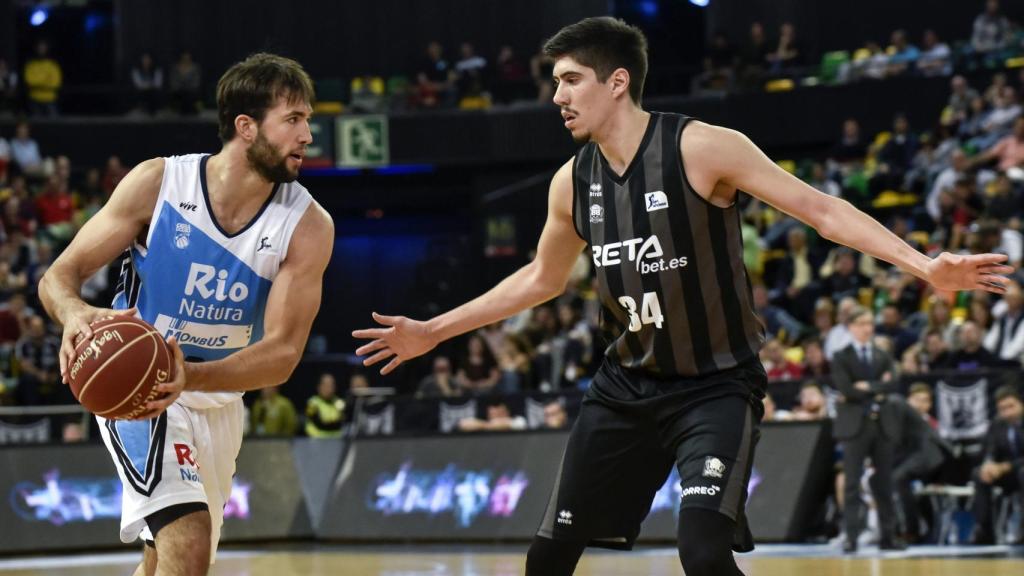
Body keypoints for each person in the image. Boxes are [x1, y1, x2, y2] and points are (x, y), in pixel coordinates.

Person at [353, 17, 1011, 576]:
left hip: (716, 384)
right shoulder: (570, 183)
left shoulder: (701, 147)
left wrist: (922, 264)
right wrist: (435, 330)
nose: (556, 95)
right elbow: (541, 279)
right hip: (624, 387)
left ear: (617, 82)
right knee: (548, 556)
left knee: (701, 549)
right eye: (554, 82)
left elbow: (819, 210)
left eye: (569, 79)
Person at [37, 53, 333, 575]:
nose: (308, 134)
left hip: (219, 396)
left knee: (165, 561)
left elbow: (284, 355)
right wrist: (77, 313)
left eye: (307, 119)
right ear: (246, 127)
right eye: (293, 120)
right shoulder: (160, 184)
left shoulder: (307, 225)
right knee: (188, 542)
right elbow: (60, 274)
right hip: (139, 386)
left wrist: (191, 376)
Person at [831, 307, 905, 552]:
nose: (867, 328)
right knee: (851, 483)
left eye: (870, 323)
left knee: (884, 482)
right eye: (861, 323)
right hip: (855, 426)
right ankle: (850, 536)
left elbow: (893, 383)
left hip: (882, 424)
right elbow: (846, 388)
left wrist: (867, 386)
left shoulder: (882, 355)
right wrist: (877, 387)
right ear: (851, 327)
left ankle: (889, 535)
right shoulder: (841, 356)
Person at [971, 385, 1024, 545]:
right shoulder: (997, 423)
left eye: (1011, 406)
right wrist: (988, 464)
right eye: (1003, 409)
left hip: (1018, 469)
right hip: (1007, 475)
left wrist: (1006, 466)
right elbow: (989, 448)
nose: (1008, 412)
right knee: (978, 474)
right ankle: (984, 530)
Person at [305, 373, 345, 438]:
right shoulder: (312, 403)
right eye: (325, 385)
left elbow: (341, 423)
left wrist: (329, 422)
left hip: (336, 440)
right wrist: (333, 422)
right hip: (316, 440)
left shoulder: (340, 402)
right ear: (319, 387)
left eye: (331, 385)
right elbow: (319, 424)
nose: (328, 388)